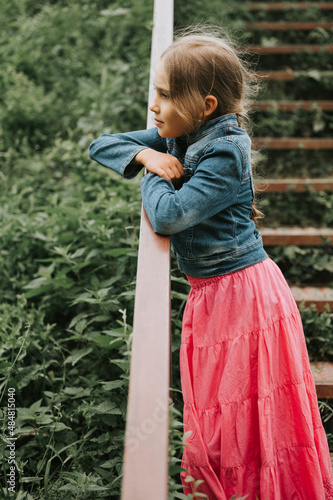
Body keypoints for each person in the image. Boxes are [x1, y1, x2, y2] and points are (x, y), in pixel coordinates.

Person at [88, 27, 333, 500]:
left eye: (164, 95)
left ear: (206, 105)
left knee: (240, 415)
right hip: (214, 294)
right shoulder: (179, 132)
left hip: (243, 295)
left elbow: (168, 216)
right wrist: (146, 152)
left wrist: (152, 171)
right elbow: (101, 143)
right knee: (222, 413)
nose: (153, 108)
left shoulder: (224, 150)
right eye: (154, 94)